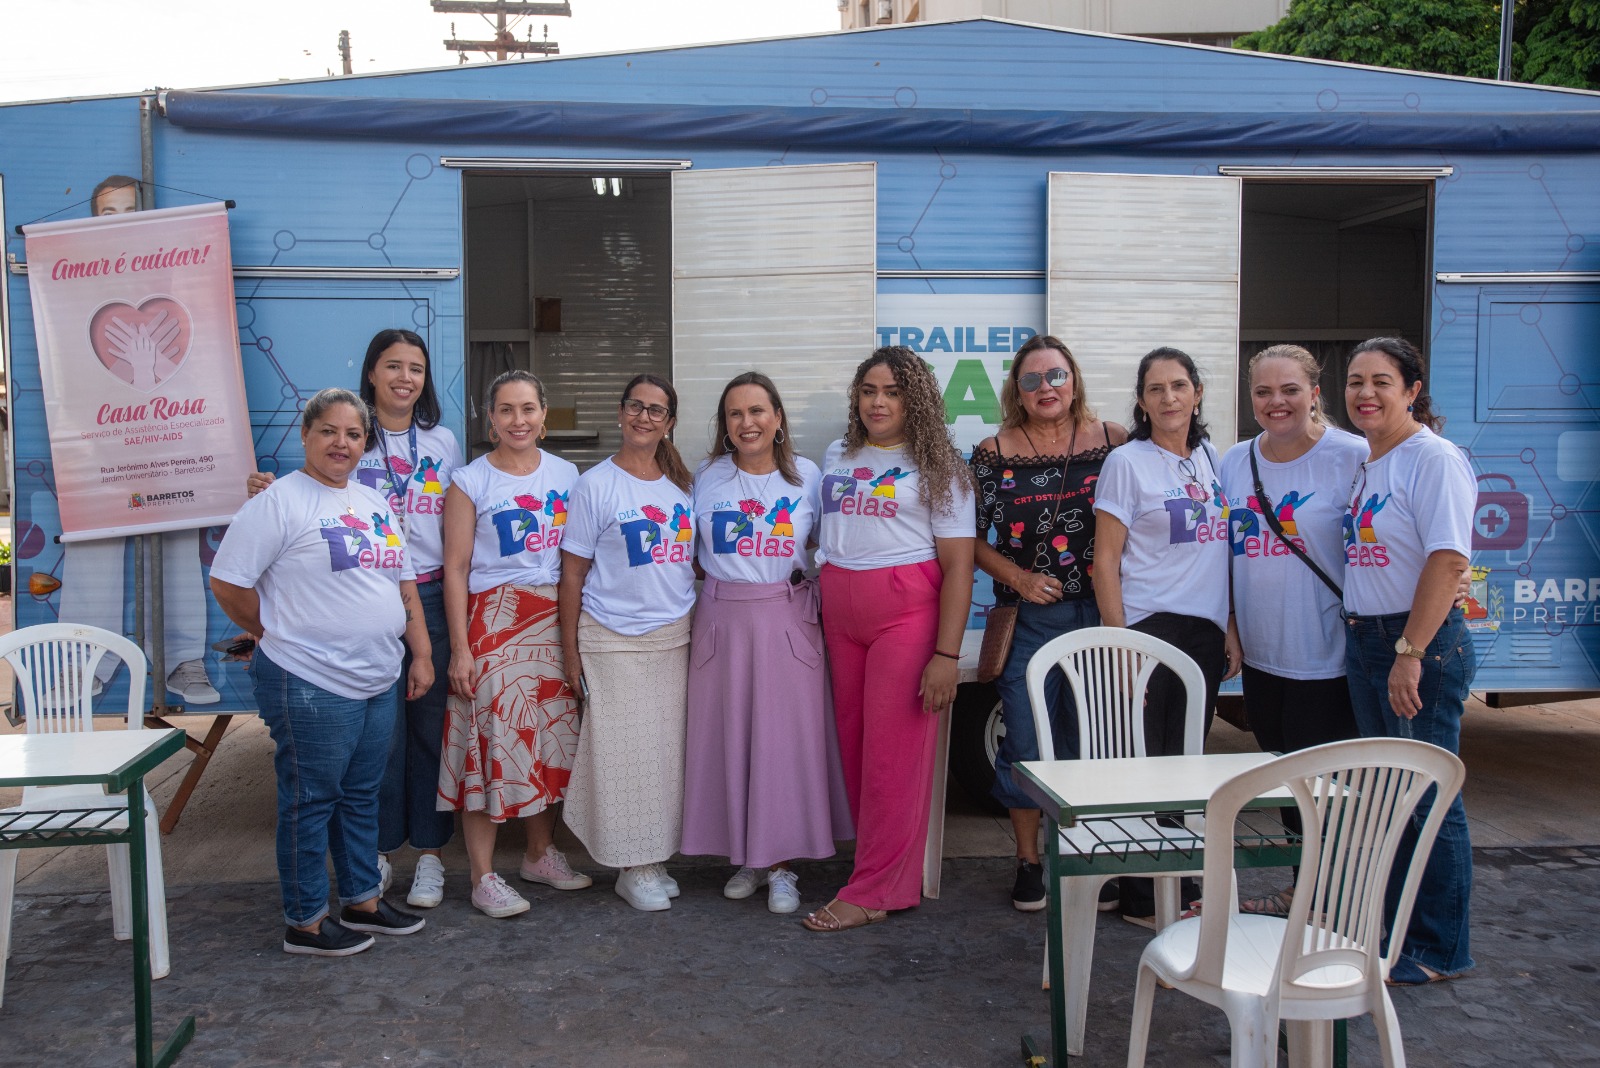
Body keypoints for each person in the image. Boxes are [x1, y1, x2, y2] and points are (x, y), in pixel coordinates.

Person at [210, 388, 432, 956]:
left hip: (377, 675)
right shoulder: (279, 502)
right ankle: (305, 921)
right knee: (311, 800)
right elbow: (229, 583)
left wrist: (421, 652)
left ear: (365, 444)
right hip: (308, 679)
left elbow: (401, 583)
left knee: (361, 794)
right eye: (329, 431)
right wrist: (275, 633)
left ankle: (362, 900)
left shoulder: (373, 502)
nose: (342, 443)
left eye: (354, 434)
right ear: (306, 435)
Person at [248, 329, 462, 910]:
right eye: (393, 366)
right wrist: (261, 488)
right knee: (377, 743)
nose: (405, 378)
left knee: (429, 730)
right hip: (357, 595)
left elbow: (457, 520)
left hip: (427, 599)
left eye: (416, 368)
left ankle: (431, 857)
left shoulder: (442, 442)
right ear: (371, 373)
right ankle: (375, 858)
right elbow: (303, 500)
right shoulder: (350, 438)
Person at [802, 347, 975, 932]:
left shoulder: (940, 467)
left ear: (916, 399)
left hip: (905, 613)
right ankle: (878, 870)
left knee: (893, 757)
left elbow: (959, 567)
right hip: (841, 611)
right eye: (870, 390)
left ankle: (876, 889)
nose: (878, 402)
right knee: (854, 747)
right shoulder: (837, 454)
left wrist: (946, 655)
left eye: (894, 392)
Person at [680, 372, 853, 915]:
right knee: (729, 741)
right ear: (724, 426)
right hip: (721, 621)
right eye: (735, 414)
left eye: (757, 411)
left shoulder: (807, 476)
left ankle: (781, 866)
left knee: (781, 747)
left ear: (777, 417)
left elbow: (835, 545)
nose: (747, 422)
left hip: (786, 618)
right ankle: (747, 860)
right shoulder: (705, 476)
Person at [970, 335, 1126, 912]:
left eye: (1056, 376)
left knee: (1096, 738)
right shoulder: (994, 450)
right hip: (1031, 618)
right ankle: (1029, 861)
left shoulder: (1115, 442)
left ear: (1075, 379)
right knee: (1029, 742)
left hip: (1105, 614)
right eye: (1032, 380)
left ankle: (1091, 855)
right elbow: (970, 541)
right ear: (1017, 390)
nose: (1046, 389)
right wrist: (1017, 577)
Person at [1341, 336, 1476, 986]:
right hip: (1369, 638)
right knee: (1393, 795)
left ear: (1413, 390)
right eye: (1356, 381)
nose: (1365, 393)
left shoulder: (1433, 458)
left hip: (1413, 643)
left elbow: (1449, 560)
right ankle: (1393, 931)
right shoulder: (1373, 460)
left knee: (1429, 798)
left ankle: (1438, 948)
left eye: (1381, 382)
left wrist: (1410, 652)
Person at [57, 172, 221, 708]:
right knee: (93, 541)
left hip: (170, 433)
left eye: (133, 212)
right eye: (109, 215)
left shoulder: (181, 276)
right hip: (101, 434)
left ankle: (180, 660)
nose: (122, 225)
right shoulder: (72, 282)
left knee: (175, 536)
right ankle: (84, 662)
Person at [1092, 346, 1239, 927]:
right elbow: (1105, 561)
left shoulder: (1211, 459)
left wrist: (1230, 626)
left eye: (1179, 386)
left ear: (1197, 393)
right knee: (1145, 765)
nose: (1169, 398)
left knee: (1186, 764)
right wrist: (1119, 642)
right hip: (1148, 631)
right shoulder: (1127, 462)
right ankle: (1139, 894)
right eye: (1156, 389)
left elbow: (1222, 553)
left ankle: (1175, 883)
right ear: (1142, 400)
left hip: (1203, 634)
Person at [1217, 344, 1366, 916]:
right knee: (1285, 782)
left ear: (1314, 393)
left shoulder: (1351, 456)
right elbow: (1225, 554)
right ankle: (1305, 892)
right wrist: (1230, 624)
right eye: (1263, 392)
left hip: (1327, 655)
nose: (1276, 402)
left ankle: (1328, 897)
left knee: (1323, 788)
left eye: (1289, 390)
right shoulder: (1234, 461)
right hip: (1261, 654)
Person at [438, 370, 588, 918]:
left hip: (552, 620)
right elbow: (454, 569)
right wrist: (461, 648)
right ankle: (482, 876)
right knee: (490, 744)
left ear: (544, 415)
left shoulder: (569, 474)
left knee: (549, 739)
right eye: (505, 410)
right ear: (490, 418)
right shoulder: (470, 480)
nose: (517, 420)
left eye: (527, 408)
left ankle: (539, 854)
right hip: (494, 624)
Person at [558, 374, 697, 912]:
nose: (644, 417)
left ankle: (652, 856)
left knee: (664, 756)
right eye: (636, 407)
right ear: (620, 414)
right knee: (620, 756)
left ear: (669, 423)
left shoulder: (682, 485)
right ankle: (628, 865)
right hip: (611, 638)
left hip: (673, 638)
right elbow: (572, 576)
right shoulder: (595, 485)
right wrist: (571, 652)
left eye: (656, 410)